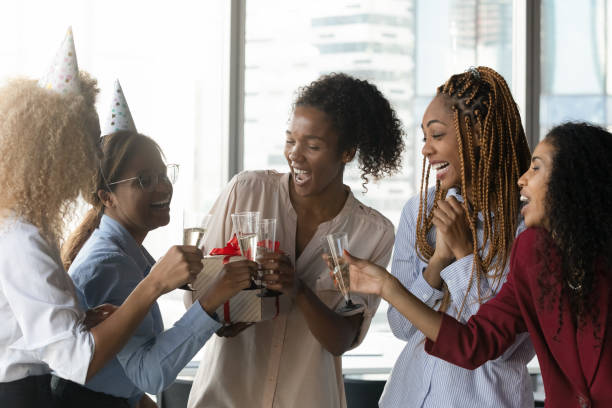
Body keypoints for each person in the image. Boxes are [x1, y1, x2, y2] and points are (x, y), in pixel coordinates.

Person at [346, 122, 612, 408]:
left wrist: (463, 253)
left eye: (536, 168)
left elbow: (506, 353)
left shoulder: (524, 237)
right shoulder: (533, 254)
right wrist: (387, 286)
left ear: (574, 180)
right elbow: (475, 342)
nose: (522, 179)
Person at [185, 73, 403, 408]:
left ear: (347, 152)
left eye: (313, 146)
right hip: (224, 398)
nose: (295, 156)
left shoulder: (372, 233)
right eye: (291, 141)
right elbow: (198, 294)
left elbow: (342, 338)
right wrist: (220, 319)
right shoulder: (246, 192)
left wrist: (298, 290)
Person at [0, 43, 200, 407]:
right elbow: (78, 362)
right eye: (88, 147)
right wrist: (154, 284)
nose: (94, 159)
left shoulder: (25, 225)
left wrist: (82, 318)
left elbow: (23, 327)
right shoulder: (24, 237)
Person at [54, 128, 254, 407]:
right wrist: (212, 299)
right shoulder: (110, 265)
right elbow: (149, 373)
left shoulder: (127, 255)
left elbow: (124, 369)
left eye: (163, 174)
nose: (162, 187)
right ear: (107, 197)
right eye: (144, 180)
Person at [376, 66, 535, 407]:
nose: (426, 150)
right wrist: (437, 263)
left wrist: (464, 255)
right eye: (424, 137)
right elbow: (402, 328)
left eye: (437, 135)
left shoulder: (527, 227)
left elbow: (500, 349)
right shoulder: (418, 213)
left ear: (477, 132)